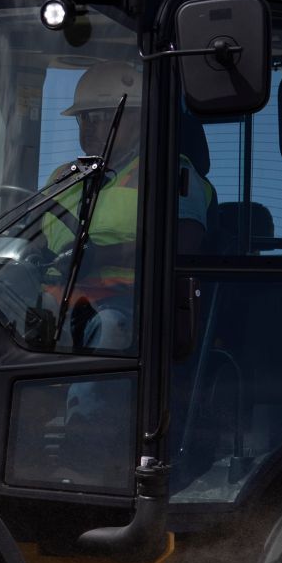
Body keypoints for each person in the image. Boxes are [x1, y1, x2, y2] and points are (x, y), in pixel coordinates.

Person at [40, 62, 215, 351]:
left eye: (98, 116)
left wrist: (100, 256)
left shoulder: (169, 174)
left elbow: (183, 246)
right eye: (83, 118)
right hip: (59, 298)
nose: (88, 127)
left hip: (133, 304)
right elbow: (34, 237)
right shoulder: (63, 177)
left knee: (108, 327)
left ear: (137, 117)